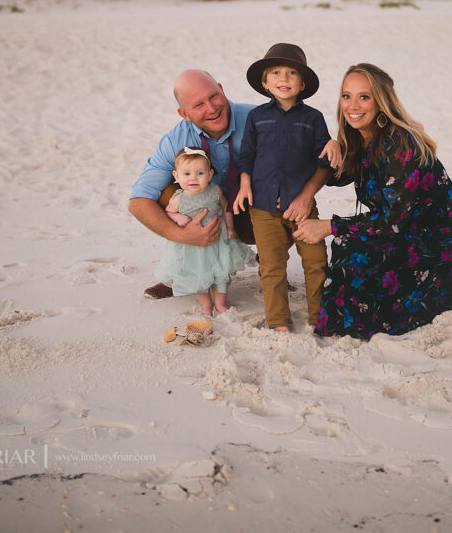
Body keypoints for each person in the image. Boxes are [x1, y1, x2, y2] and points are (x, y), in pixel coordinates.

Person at [294, 63, 452, 340]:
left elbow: (393, 222)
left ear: (381, 101)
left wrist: (328, 225)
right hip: (403, 227)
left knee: (396, 306)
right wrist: (327, 146)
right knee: (350, 250)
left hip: (440, 232)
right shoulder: (357, 136)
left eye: (364, 97)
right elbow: (336, 176)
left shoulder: (400, 144)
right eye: (346, 95)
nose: (353, 105)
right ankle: (340, 322)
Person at [128, 69, 331, 300]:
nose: (212, 108)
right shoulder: (175, 139)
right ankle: (185, 272)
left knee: (287, 193)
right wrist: (182, 235)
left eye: (213, 96)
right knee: (166, 195)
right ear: (183, 114)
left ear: (222, 90)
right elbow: (138, 201)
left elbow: (318, 162)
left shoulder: (261, 118)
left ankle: (270, 265)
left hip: (257, 211)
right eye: (199, 105)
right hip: (207, 214)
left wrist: (306, 194)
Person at [233, 43, 338, 332]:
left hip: (301, 206)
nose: (284, 78)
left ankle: (320, 317)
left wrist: (332, 143)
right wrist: (244, 182)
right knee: (272, 267)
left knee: (316, 260)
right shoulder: (257, 117)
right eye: (276, 73)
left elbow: (325, 161)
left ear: (302, 84)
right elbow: (247, 155)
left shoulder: (313, 118)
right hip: (262, 206)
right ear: (265, 83)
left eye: (292, 73)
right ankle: (278, 320)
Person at [155, 147, 253, 315]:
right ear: (176, 176)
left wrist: (230, 228)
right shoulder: (179, 198)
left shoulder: (215, 190)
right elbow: (168, 212)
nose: (193, 178)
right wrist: (177, 218)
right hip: (193, 246)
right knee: (198, 275)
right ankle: (206, 305)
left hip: (218, 241)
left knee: (221, 273)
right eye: (186, 174)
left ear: (210, 174)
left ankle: (221, 304)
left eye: (200, 173)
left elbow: (225, 208)